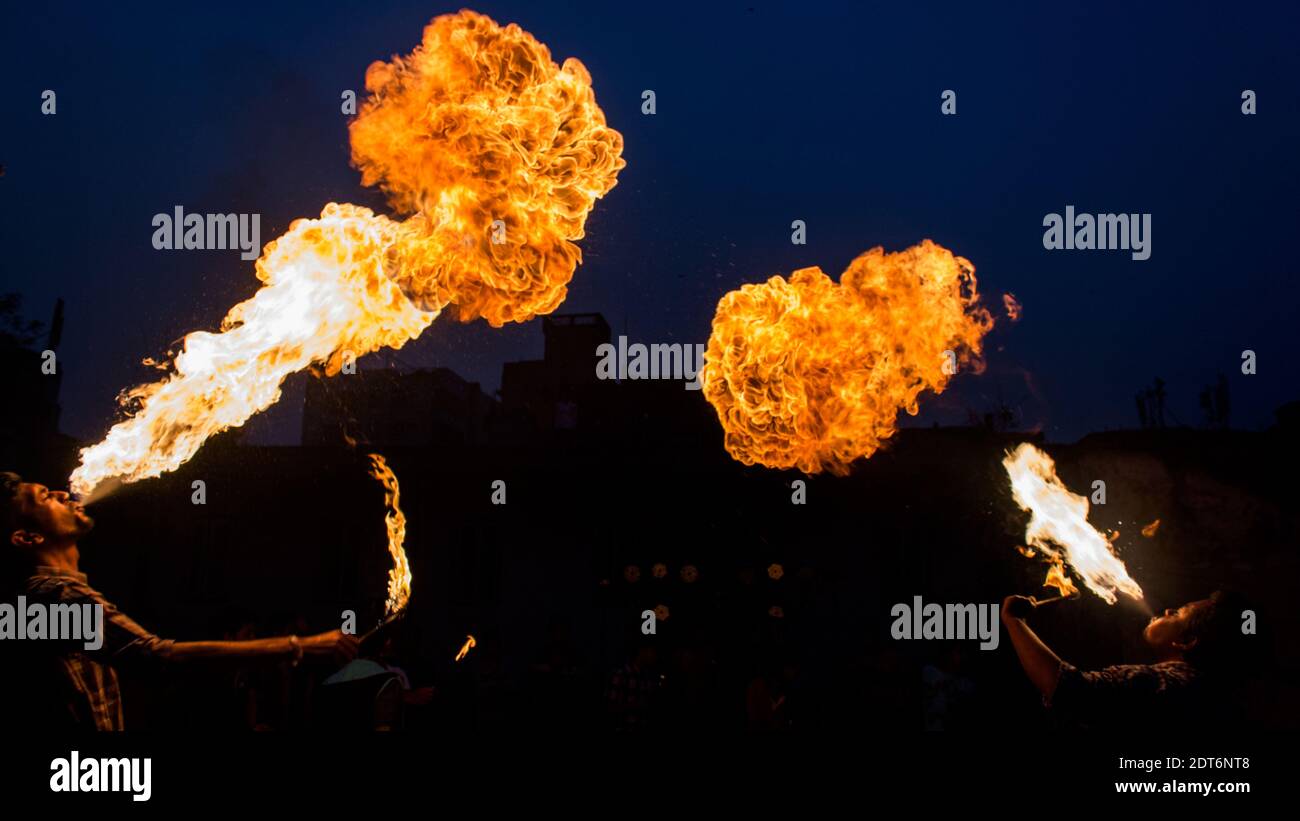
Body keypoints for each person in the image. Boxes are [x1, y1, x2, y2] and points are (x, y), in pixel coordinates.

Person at [0, 472, 358, 730]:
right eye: (46, 496)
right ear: (27, 537)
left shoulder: (44, 598)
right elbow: (159, 657)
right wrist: (301, 646)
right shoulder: (53, 597)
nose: (63, 493)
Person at [1001, 590, 1254, 729]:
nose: (1167, 610)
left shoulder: (1157, 682)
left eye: (1177, 613)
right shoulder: (1215, 698)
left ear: (1186, 642)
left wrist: (1014, 622)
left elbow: (1068, 690)